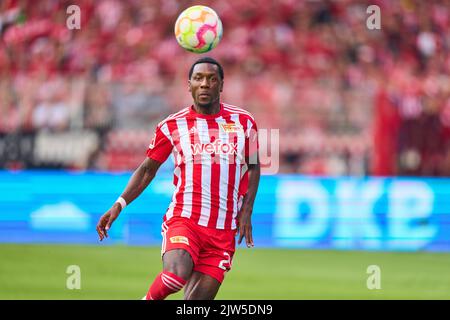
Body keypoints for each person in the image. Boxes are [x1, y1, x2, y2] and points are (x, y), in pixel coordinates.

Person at [96, 57, 260, 300]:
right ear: (189, 85)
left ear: (221, 85)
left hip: (223, 231)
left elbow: (254, 166)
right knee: (174, 276)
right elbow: (146, 170)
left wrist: (247, 210)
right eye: (199, 78)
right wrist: (119, 204)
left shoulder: (244, 122)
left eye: (212, 79)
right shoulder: (172, 125)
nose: (205, 84)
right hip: (186, 220)